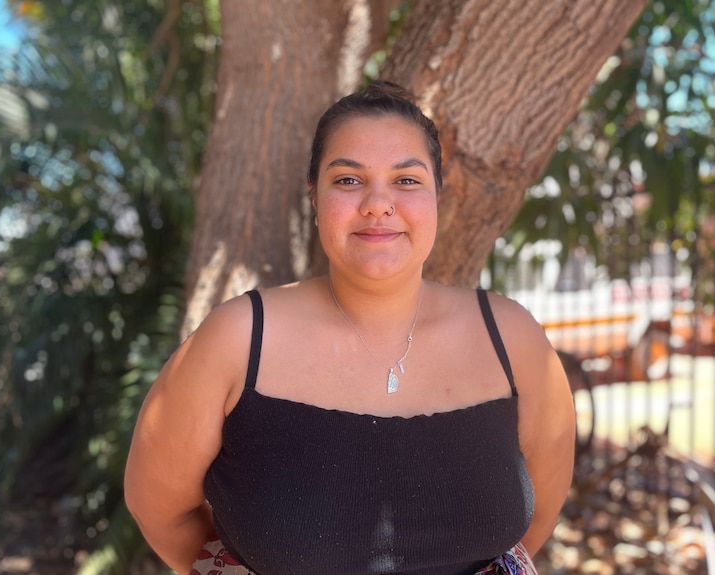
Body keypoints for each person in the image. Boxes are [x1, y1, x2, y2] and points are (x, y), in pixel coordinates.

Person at [124, 81, 575, 575]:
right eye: (348, 180)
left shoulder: (512, 340)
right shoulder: (235, 341)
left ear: (438, 196)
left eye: (406, 180)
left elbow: (535, 520)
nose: (378, 203)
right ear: (314, 194)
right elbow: (161, 509)